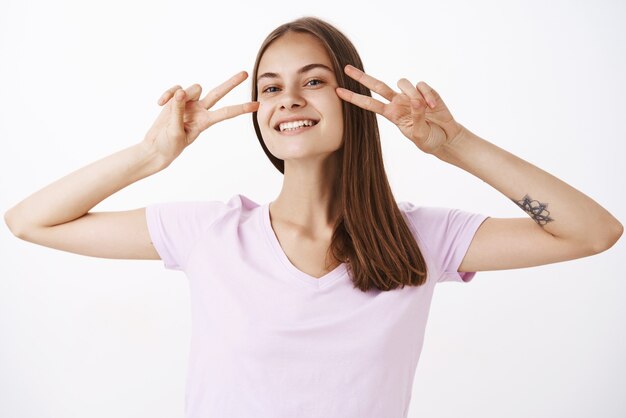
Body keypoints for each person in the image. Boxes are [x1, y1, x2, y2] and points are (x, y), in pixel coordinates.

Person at [4, 15, 622, 418]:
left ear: (352, 100)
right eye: (270, 88)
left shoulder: (419, 239)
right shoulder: (210, 232)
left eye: (313, 81)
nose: (289, 100)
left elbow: (593, 232)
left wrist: (453, 144)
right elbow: (31, 222)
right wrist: (151, 154)